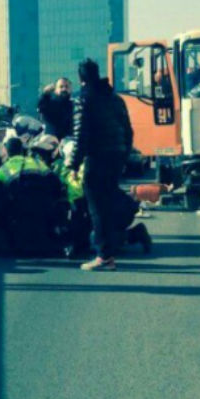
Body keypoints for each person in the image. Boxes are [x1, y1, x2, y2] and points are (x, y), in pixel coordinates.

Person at [67, 58, 133, 271]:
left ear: (81, 78)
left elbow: (80, 135)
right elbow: (128, 130)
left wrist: (73, 165)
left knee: (96, 207)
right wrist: (123, 157)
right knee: (108, 204)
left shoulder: (83, 99)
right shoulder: (115, 99)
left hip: (97, 158)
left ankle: (104, 256)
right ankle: (110, 250)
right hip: (115, 157)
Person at [0, 136, 63, 256]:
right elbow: (54, 181)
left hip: (21, 209)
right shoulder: (37, 162)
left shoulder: (3, 169)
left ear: (7, 152)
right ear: (22, 150)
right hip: (44, 205)